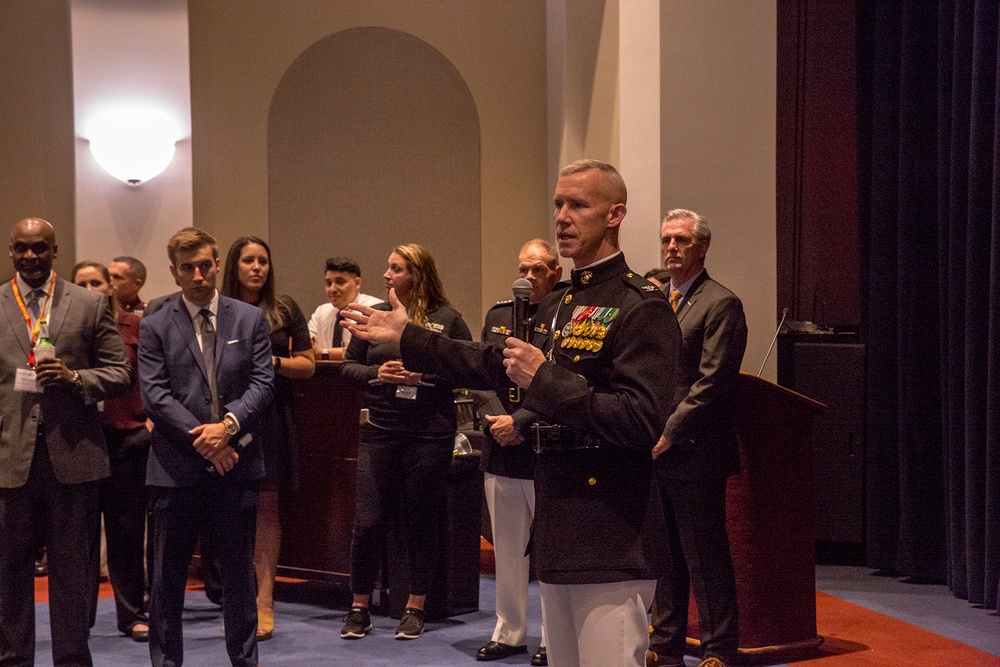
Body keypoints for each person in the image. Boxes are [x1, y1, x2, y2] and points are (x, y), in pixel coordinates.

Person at [342, 160, 680, 667]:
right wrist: (408, 337)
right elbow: (486, 361)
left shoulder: (641, 306)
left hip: (609, 528)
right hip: (558, 523)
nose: (563, 217)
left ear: (616, 214)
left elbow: (640, 419)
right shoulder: (561, 303)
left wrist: (544, 379)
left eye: (578, 205)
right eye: (558, 205)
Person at [139, 227, 274, 667]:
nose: (198, 275)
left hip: (237, 464)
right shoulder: (156, 323)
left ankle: (245, 660)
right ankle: (167, 663)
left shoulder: (249, 318)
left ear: (217, 264)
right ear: (174, 272)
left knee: (238, 576)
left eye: (204, 265)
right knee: (167, 579)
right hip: (176, 469)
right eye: (187, 268)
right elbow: (155, 395)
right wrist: (209, 440)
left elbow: (263, 382)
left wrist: (229, 425)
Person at [0, 217, 131, 666]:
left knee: (74, 574)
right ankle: (12, 658)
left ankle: (72, 659)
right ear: (11, 251)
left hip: (74, 457)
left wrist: (76, 377)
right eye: (22, 248)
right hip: (9, 459)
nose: (31, 256)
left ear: (55, 250)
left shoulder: (91, 303)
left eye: (40, 248)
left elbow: (121, 372)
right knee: (8, 572)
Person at [339, 243, 472, 642]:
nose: (386, 275)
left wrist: (424, 378)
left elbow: (467, 368)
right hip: (380, 427)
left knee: (420, 520)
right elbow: (348, 367)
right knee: (368, 522)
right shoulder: (375, 315)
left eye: (395, 269)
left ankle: (415, 606)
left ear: (416, 275)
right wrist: (380, 374)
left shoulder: (447, 319)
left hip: (429, 432)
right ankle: (359, 606)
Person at [646, 210, 747, 667]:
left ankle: (718, 649)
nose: (671, 248)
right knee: (665, 554)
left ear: (701, 247)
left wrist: (669, 431)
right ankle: (666, 644)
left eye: (681, 240)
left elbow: (712, 383)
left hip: (694, 451)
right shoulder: (660, 301)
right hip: (654, 449)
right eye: (667, 239)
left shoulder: (720, 303)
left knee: (704, 555)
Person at [221, 236, 315, 641]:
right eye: (248, 261)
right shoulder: (219, 309)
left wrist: (270, 361)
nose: (257, 267)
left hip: (272, 416)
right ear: (234, 266)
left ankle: (263, 600)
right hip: (225, 417)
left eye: (263, 261)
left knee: (266, 507)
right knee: (225, 506)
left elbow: (308, 365)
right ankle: (233, 596)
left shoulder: (284, 309)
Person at [474, 239, 561, 665]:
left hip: (545, 448)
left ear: (556, 272)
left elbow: (564, 382)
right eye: (524, 269)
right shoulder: (498, 315)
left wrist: (522, 421)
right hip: (502, 448)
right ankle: (510, 632)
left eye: (539, 270)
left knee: (548, 552)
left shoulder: (566, 315)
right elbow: (480, 377)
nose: (528, 277)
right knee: (507, 548)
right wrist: (496, 420)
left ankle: (552, 639)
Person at [72, 261, 151, 643]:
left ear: (111, 287)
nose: (92, 288)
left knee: (127, 532)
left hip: (126, 439)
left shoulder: (136, 327)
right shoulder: (63, 332)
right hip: (81, 440)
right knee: (80, 533)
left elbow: (154, 379)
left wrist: (148, 425)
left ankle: (132, 615)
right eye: (82, 283)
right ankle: (78, 618)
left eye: (97, 282)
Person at [308, 257, 382, 361]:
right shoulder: (321, 312)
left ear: (357, 283)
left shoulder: (373, 308)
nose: (332, 289)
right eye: (329, 283)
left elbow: (367, 353)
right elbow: (307, 347)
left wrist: (323, 353)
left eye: (340, 282)